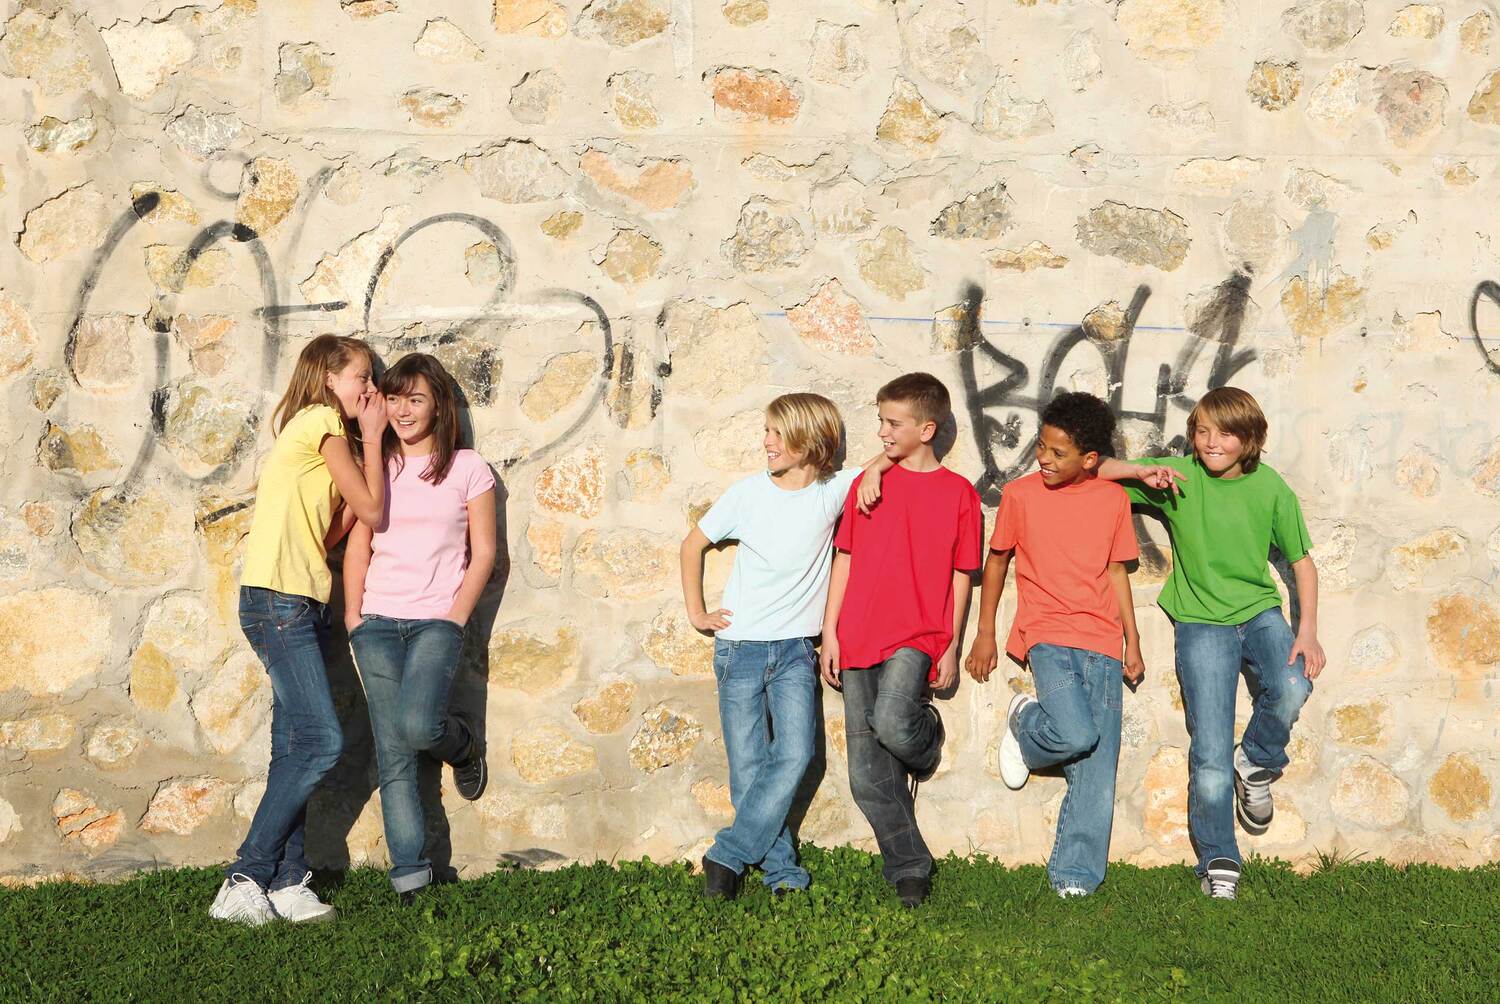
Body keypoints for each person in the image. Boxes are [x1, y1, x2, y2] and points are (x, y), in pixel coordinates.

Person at [1099, 386, 1326, 900]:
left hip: (1259, 612)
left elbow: (1302, 562)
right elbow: (1095, 470)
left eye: (1224, 434)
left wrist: (1307, 629)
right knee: (1209, 744)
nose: (1210, 443)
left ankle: (1257, 760)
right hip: (1201, 622)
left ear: (1250, 438)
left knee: (1293, 684)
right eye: (1202, 431)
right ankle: (1219, 856)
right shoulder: (1179, 477)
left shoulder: (1270, 487)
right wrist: (1140, 472)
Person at [211, 334, 388, 926]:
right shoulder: (320, 421)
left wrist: (364, 458)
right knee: (321, 742)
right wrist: (372, 437)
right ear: (328, 378)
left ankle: (288, 882)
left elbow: (336, 528)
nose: (369, 388)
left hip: (300, 601)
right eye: (361, 376)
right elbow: (375, 511)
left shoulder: (321, 440)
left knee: (292, 747)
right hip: (278, 600)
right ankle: (245, 875)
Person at [681, 393, 887, 899]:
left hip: (796, 651)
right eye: (767, 431)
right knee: (748, 767)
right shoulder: (748, 494)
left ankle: (726, 855)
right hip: (740, 650)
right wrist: (697, 613)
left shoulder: (831, 491)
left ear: (808, 441)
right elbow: (693, 545)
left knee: (796, 754)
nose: (767, 442)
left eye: (777, 433)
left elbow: (891, 453)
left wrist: (876, 471)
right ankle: (783, 873)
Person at [965, 392, 1144, 897]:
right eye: (1041, 446)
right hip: (1046, 634)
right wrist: (985, 632)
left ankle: (1075, 875)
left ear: (1089, 459)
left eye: (1057, 452)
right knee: (1075, 733)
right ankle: (1025, 721)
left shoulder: (1113, 500)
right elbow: (997, 560)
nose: (1043, 457)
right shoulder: (1020, 495)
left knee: (1098, 760)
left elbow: (1117, 571)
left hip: (1102, 637)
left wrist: (1132, 640)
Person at [820, 373, 982, 908]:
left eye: (893, 423)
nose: (882, 432)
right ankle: (910, 865)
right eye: (881, 421)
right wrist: (830, 633)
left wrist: (951, 644)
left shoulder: (959, 494)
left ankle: (925, 737)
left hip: (919, 633)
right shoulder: (867, 487)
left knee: (892, 722)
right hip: (858, 633)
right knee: (866, 776)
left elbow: (963, 574)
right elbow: (844, 559)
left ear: (927, 429)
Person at [344, 353, 497, 905]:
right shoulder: (378, 465)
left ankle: (464, 746)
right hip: (377, 624)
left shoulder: (468, 468)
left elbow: (483, 553)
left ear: (438, 406)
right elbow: (359, 543)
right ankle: (411, 876)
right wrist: (353, 616)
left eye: (416, 399)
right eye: (394, 398)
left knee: (419, 726)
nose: (403, 411)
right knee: (394, 753)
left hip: (437, 621)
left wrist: (455, 617)